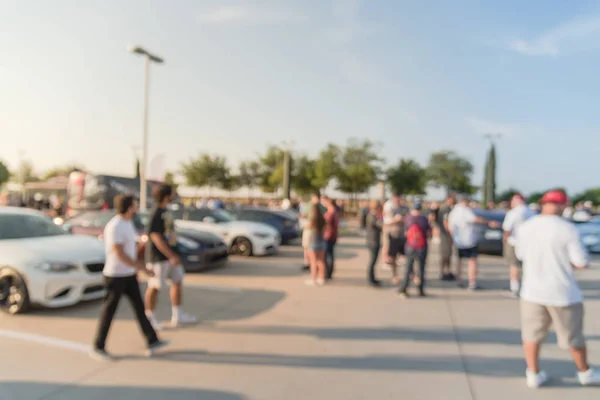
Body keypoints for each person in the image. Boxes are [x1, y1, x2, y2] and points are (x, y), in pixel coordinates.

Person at [515, 190, 600, 388]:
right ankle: (584, 371)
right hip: (563, 292)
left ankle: (533, 373)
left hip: (532, 291)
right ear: (562, 205)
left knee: (531, 336)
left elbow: (520, 255)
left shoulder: (526, 227)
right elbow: (580, 261)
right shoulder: (567, 229)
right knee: (573, 338)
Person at [91, 195, 169, 360]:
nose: (136, 207)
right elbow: (118, 252)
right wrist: (141, 268)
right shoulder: (115, 225)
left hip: (128, 275)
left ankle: (152, 340)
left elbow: (129, 248)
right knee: (109, 312)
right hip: (115, 276)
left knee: (139, 308)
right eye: (134, 204)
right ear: (129, 207)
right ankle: (98, 346)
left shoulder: (127, 223)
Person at [144, 184, 197, 330]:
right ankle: (149, 318)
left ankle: (178, 315)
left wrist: (174, 253)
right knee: (154, 287)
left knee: (177, 280)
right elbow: (155, 237)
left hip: (170, 257)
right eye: (172, 193)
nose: (174, 195)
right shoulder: (155, 213)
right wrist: (170, 254)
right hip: (158, 258)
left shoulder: (165, 211)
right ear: (167, 196)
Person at [447, 194, 498, 290]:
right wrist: (489, 222)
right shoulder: (465, 211)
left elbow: (450, 227)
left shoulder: (453, 212)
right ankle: (472, 282)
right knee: (472, 261)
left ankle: (459, 280)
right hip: (469, 240)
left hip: (458, 241)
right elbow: (475, 219)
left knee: (459, 261)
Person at [502, 193, 535, 298]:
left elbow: (507, 229)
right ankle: (527, 288)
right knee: (527, 266)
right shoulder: (532, 212)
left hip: (514, 242)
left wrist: (505, 239)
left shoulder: (513, 213)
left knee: (514, 266)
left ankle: (514, 288)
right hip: (529, 243)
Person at [398, 201, 431, 298]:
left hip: (410, 247)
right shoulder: (424, 219)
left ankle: (404, 289)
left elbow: (405, 233)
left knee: (408, 269)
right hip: (422, 247)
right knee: (421, 269)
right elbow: (429, 233)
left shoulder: (408, 218)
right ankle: (420, 290)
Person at [382, 193, 404, 283]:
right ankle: (394, 274)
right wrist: (395, 220)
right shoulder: (389, 206)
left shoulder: (403, 207)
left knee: (406, 256)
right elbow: (386, 222)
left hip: (401, 235)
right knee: (391, 253)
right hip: (392, 234)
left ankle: (411, 274)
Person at [305, 202, 327, 286]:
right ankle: (322, 278)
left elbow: (307, 229)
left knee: (313, 262)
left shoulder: (311, 220)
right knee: (321, 261)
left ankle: (313, 279)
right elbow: (324, 231)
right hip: (321, 242)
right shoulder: (323, 220)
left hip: (313, 242)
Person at [437, 194, 456, 281]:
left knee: (448, 254)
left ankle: (447, 271)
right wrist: (451, 234)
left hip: (446, 234)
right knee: (445, 254)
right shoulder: (445, 209)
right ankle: (443, 272)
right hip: (445, 235)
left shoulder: (448, 209)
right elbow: (446, 223)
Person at [365, 200, 383, 286]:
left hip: (373, 240)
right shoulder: (372, 216)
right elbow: (379, 225)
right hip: (373, 241)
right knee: (373, 261)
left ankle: (372, 278)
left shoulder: (372, 215)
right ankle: (371, 279)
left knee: (373, 261)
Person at [322, 195, 340, 280]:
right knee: (329, 254)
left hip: (329, 235)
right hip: (330, 235)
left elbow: (330, 224)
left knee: (327, 254)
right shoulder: (332, 211)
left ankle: (328, 272)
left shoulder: (331, 211)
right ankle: (328, 272)